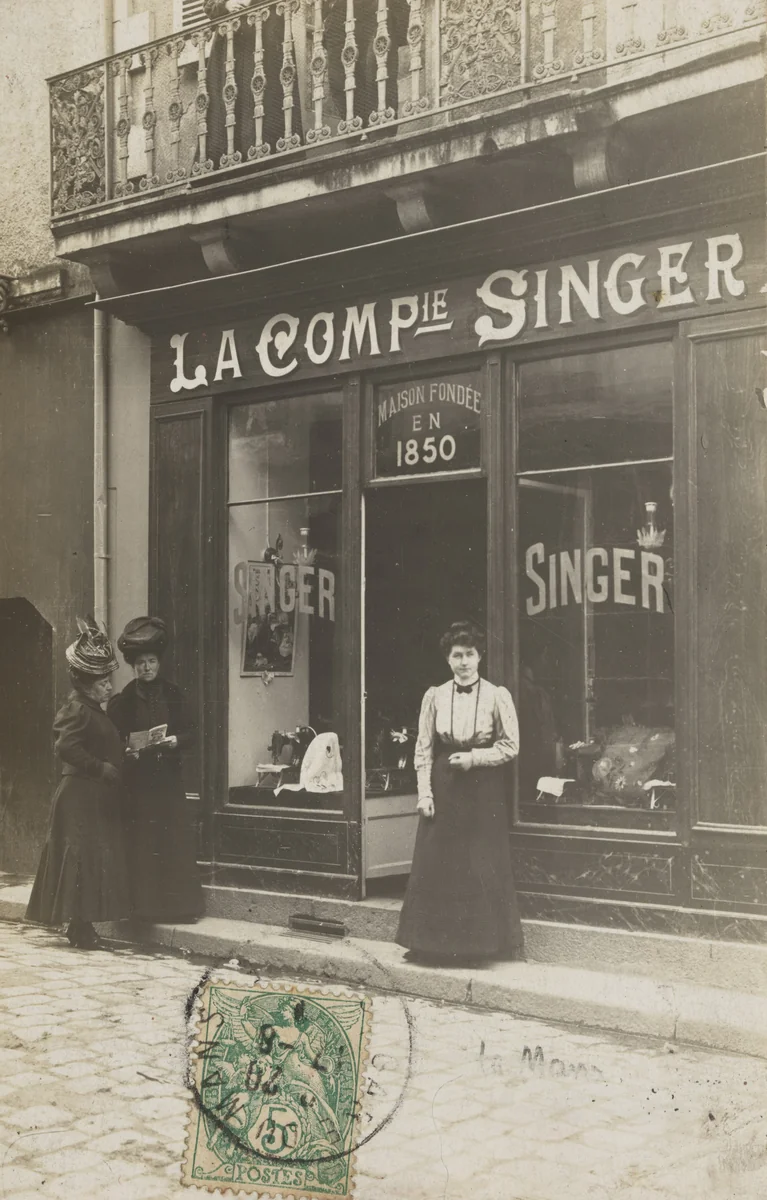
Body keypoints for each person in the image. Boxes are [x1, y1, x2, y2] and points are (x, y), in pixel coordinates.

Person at [395, 621, 525, 965]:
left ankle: (482, 947)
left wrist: (475, 758)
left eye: (470, 654)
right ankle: (429, 944)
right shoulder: (434, 696)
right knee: (437, 861)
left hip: (483, 787)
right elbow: (423, 748)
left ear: (480, 656)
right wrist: (425, 794)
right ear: (448, 659)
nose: (464, 662)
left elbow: (511, 745)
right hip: (445, 782)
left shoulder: (498, 695)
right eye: (457, 655)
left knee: (479, 861)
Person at [26, 617, 130, 949]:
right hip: (78, 795)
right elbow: (65, 747)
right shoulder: (76, 709)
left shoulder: (92, 708)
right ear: (87, 684)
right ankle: (82, 930)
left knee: (88, 858)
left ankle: (80, 927)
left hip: (91, 795)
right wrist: (101, 768)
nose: (109, 688)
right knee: (81, 859)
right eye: (103, 683)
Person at [107, 617, 203, 923]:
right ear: (133, 666)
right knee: (142, 842)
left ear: (159, 663)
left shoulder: (174, 694)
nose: (146, 668)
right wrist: (127, 751)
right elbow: (113, 740)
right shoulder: (121, 702)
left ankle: (179, 910)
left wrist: (176, 740)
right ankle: (143, 910)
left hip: (169, 782)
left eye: (151, 662)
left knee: (172, 840)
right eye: (140, 663)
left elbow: (192, 732)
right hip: (138, 785)